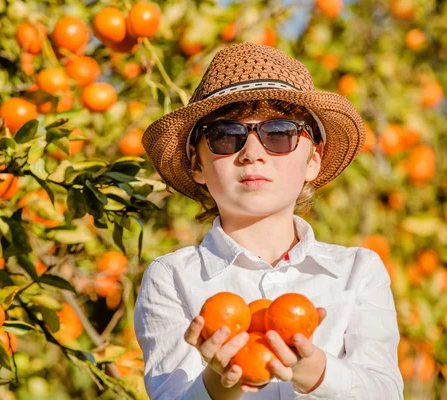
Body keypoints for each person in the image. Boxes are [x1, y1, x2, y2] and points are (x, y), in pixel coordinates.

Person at [134, 42, 404, 399]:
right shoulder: (172, 278)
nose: (252, 153)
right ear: (197, 164)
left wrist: (316, 371)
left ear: (314, 159)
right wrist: (220, 382)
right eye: (225, 136)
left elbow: (385, 391)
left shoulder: (357, 271)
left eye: (279, 133)